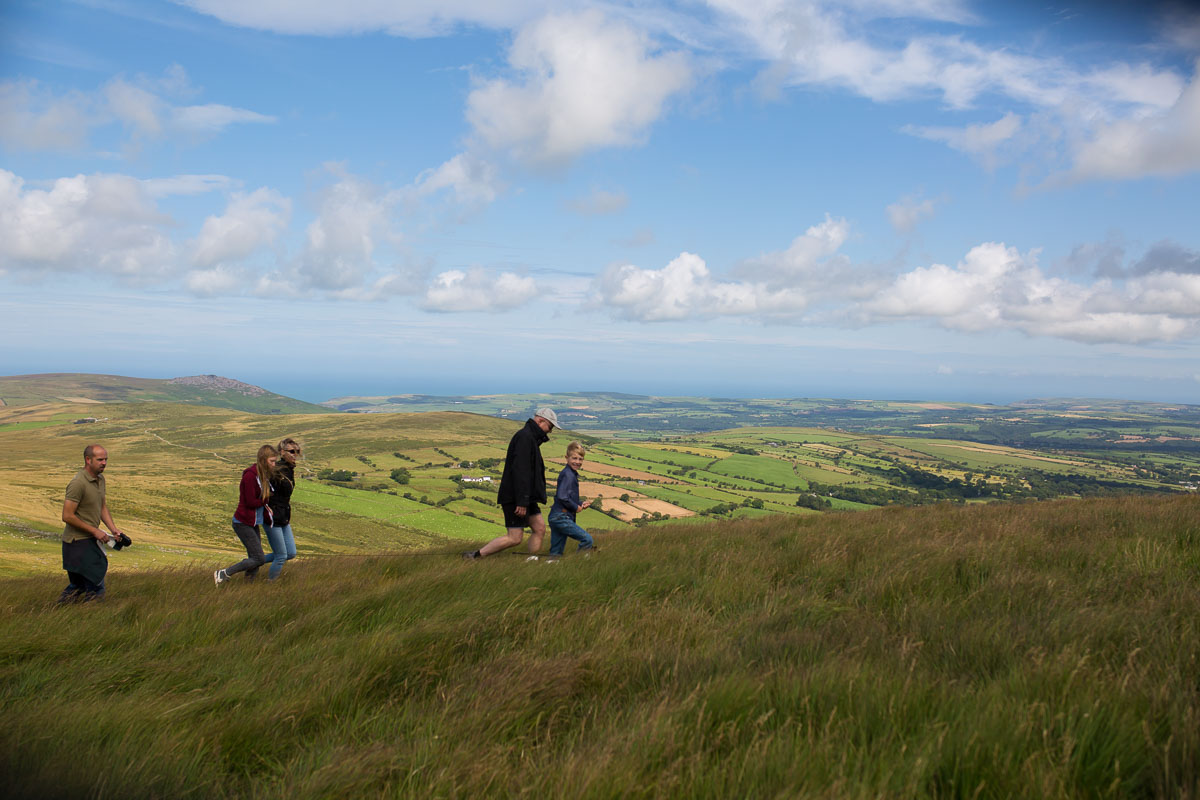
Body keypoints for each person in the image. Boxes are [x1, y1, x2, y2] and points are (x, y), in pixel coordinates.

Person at [463, 408, 559, 560]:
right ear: (540, 421)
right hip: (516, 498)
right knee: (515, 537)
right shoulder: (525, 438)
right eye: (550, 426)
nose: (550, 431)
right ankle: (475, 555)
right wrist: (522, 501)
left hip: (527, 497)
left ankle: (531, 562)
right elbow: (521, 472)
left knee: (539, 528)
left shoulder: (530, 438)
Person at [59, 444, 127, 603]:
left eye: (106, 460)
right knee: (95, 585)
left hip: (87, 541)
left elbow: (102, 506)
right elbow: (67, 516)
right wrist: (95, 531)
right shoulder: (78, 483)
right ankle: (92, 616)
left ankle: (57, 614)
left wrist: (113, 530)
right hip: (77, 542)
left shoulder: (100, 479)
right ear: (88, 460)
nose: (104, 463)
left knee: (78, 586)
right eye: (100, 459)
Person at [214, 445, 277, 585]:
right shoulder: (250, 476)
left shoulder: (262, 475)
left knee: (254, 557)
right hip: (243, 523)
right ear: (263, 460)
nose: (274, 464)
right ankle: (224, 573)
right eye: (272, 461)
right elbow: (250, 501)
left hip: (252, 522)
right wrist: (265, 500)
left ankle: (248, 586)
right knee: (259, 558)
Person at [547, 441, 595, 558]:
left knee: (556, 553)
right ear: (566, 458)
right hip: (561, 517)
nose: (577, 462)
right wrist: (576, 507)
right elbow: (562, 496)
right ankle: (576, 563)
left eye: (580, 459)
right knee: (587, 540)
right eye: (574, 458)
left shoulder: (570, 473)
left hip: (556, 516)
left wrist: (580, 503)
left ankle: (551, 565)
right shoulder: (568, 475)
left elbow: (567, 496)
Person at [262, 437, 300, 581]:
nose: (295, 454)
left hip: (283, 516)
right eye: (291, 451)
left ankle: (254, 561)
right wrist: (269, 507)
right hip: (273, 517)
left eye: (297, 451)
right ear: (282, 452)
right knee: (281, 556)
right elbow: (264, 489)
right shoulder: (276, 470)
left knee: (291, 553)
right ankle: (271, 585)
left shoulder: (289, 470)